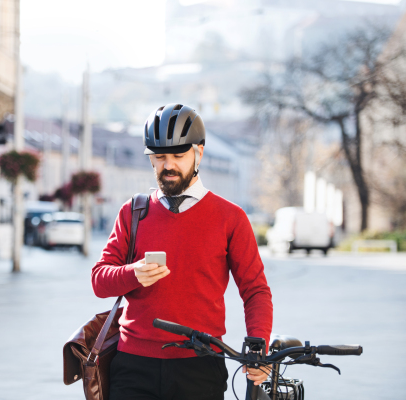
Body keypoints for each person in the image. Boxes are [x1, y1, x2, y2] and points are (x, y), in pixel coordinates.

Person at [91, 103, 273, 400]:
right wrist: (132, 273)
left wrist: (257, 347)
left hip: (200, 368)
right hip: (133, 366)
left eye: (178, 155)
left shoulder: (231, 217)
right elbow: (99, 280)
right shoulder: (133, 212)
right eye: (159, 157)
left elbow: (255, 291)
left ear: (198, 153)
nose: (168, 165)